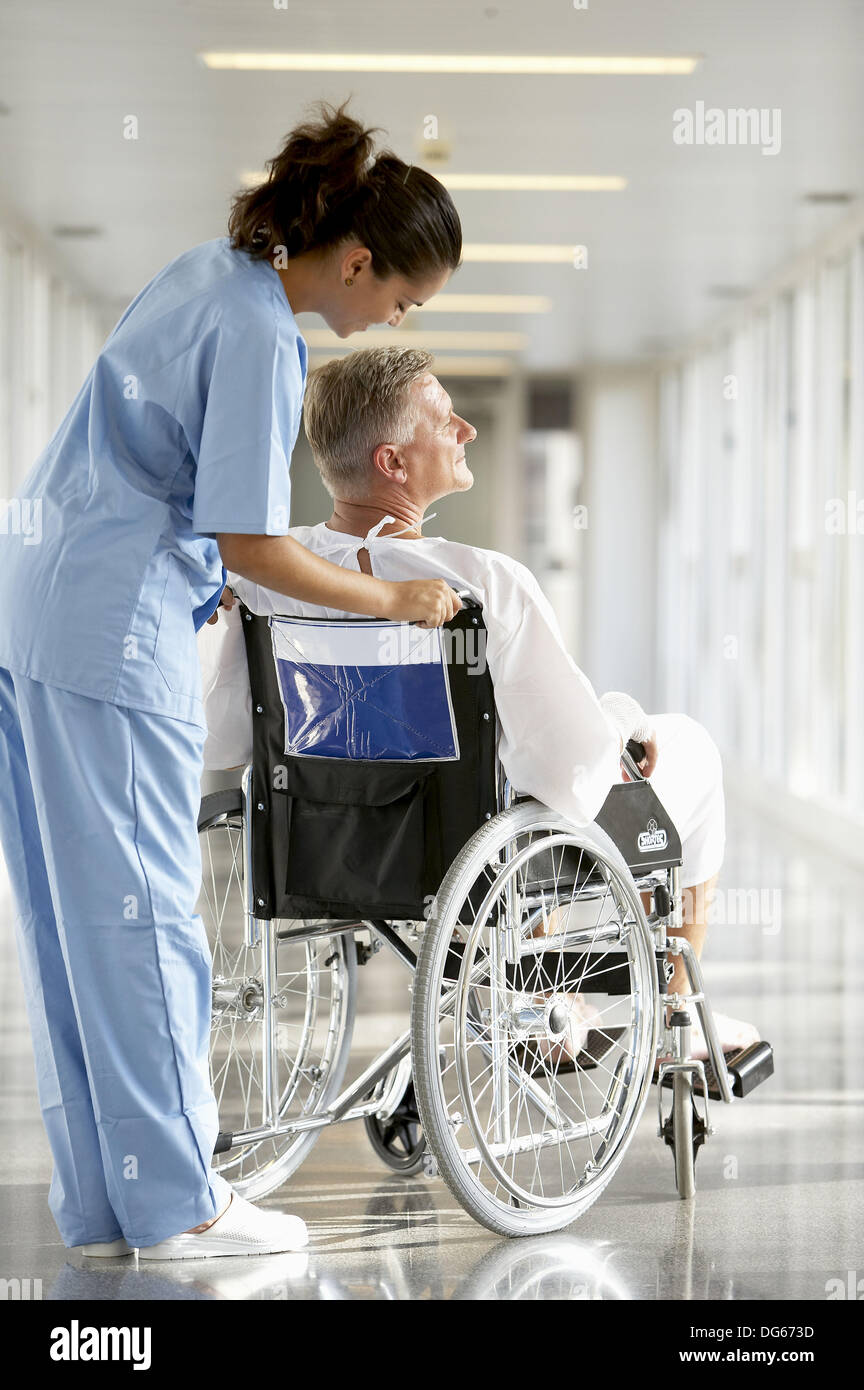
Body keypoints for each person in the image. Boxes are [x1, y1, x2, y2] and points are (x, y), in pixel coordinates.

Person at [0, 107, 464, 1261]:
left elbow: (158, 469)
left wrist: (200, 559)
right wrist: (396, 600)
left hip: (38, 612)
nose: (390, 322)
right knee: (146, 918)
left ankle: (109, 1206)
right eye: (400, 303)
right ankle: (179, 1205)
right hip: (109, 636)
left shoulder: (199, 276)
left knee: (73, 929)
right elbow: (255, 541)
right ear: (356, 261)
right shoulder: (264, 332)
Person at [200, 345, 762, 1065]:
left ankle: (545, 1002)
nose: (465, 430)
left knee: (526, 797)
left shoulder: (267, 581)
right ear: (392, 463)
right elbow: (575, 775)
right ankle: (676, 1022)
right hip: (467, 851)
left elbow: (224, 741)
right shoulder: (482, 582)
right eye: (444, 418)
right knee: (688, 751)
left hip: (317, 843)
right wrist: (622, 724)